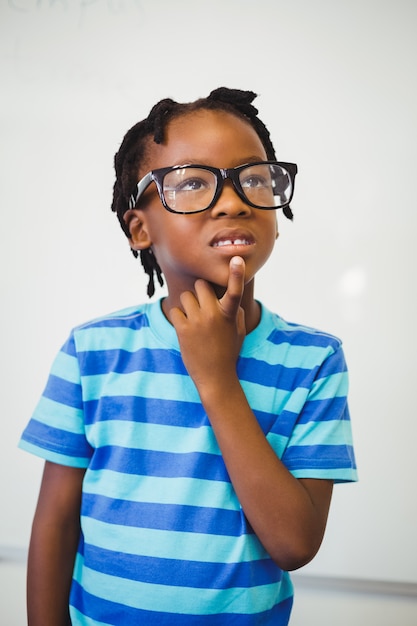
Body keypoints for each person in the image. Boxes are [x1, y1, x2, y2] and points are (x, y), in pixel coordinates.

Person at [19, 87, 357, 625]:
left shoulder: (313, 360)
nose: (233, 200)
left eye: (253, 177)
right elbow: (55, 523)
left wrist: (217, 380)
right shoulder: (93, 351)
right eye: (194, 181)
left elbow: (295, 543)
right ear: (140, 228)